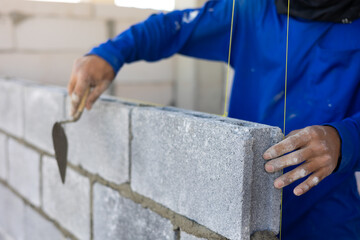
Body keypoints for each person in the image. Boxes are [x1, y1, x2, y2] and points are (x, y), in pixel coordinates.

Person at [67, 0, 360, 239]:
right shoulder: (252, 10)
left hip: (326, 214)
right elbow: (175, 27)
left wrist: (342, 139)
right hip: (241, 209)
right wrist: (110, 53)